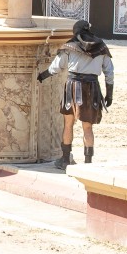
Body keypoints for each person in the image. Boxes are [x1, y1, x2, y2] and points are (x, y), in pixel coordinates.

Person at [37, 20, 114, 169]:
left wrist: (42, 76)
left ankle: (65, 160)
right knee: (87, 127)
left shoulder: (70, 46)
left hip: (73, 87)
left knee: (68, 124)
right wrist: (109, 93)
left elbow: (56, 67)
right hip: (92, 87)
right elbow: (109, 72)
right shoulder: (101, 46)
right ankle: (88, 164)